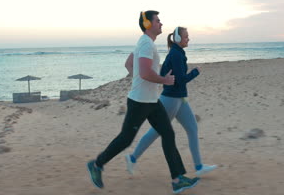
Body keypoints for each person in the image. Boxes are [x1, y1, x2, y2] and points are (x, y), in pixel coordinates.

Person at [87, 11, 199, 194]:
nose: (161, 24)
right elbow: (145, 73)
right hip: (140, 102)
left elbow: (129, 64)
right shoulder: (146, 44)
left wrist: (138, 80)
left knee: (168, 134)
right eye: (158, 20)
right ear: (148, 24)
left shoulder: (144, 42)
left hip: (151, 101)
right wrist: (164, 81)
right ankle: (97, 164)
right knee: (126, 139)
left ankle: (178, 179)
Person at [125, 26, 217, 177]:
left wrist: (166, 78)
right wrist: (195, 72)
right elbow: (180, 80)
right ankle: (132, 158)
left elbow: (164, 72)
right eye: (186, 37)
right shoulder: (176, 54)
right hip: (171, 99)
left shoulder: (177, 53)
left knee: (192, 128)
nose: (188, 39)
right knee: (156, 131)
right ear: (179, 39)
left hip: (179, 98)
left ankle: (199, 167)